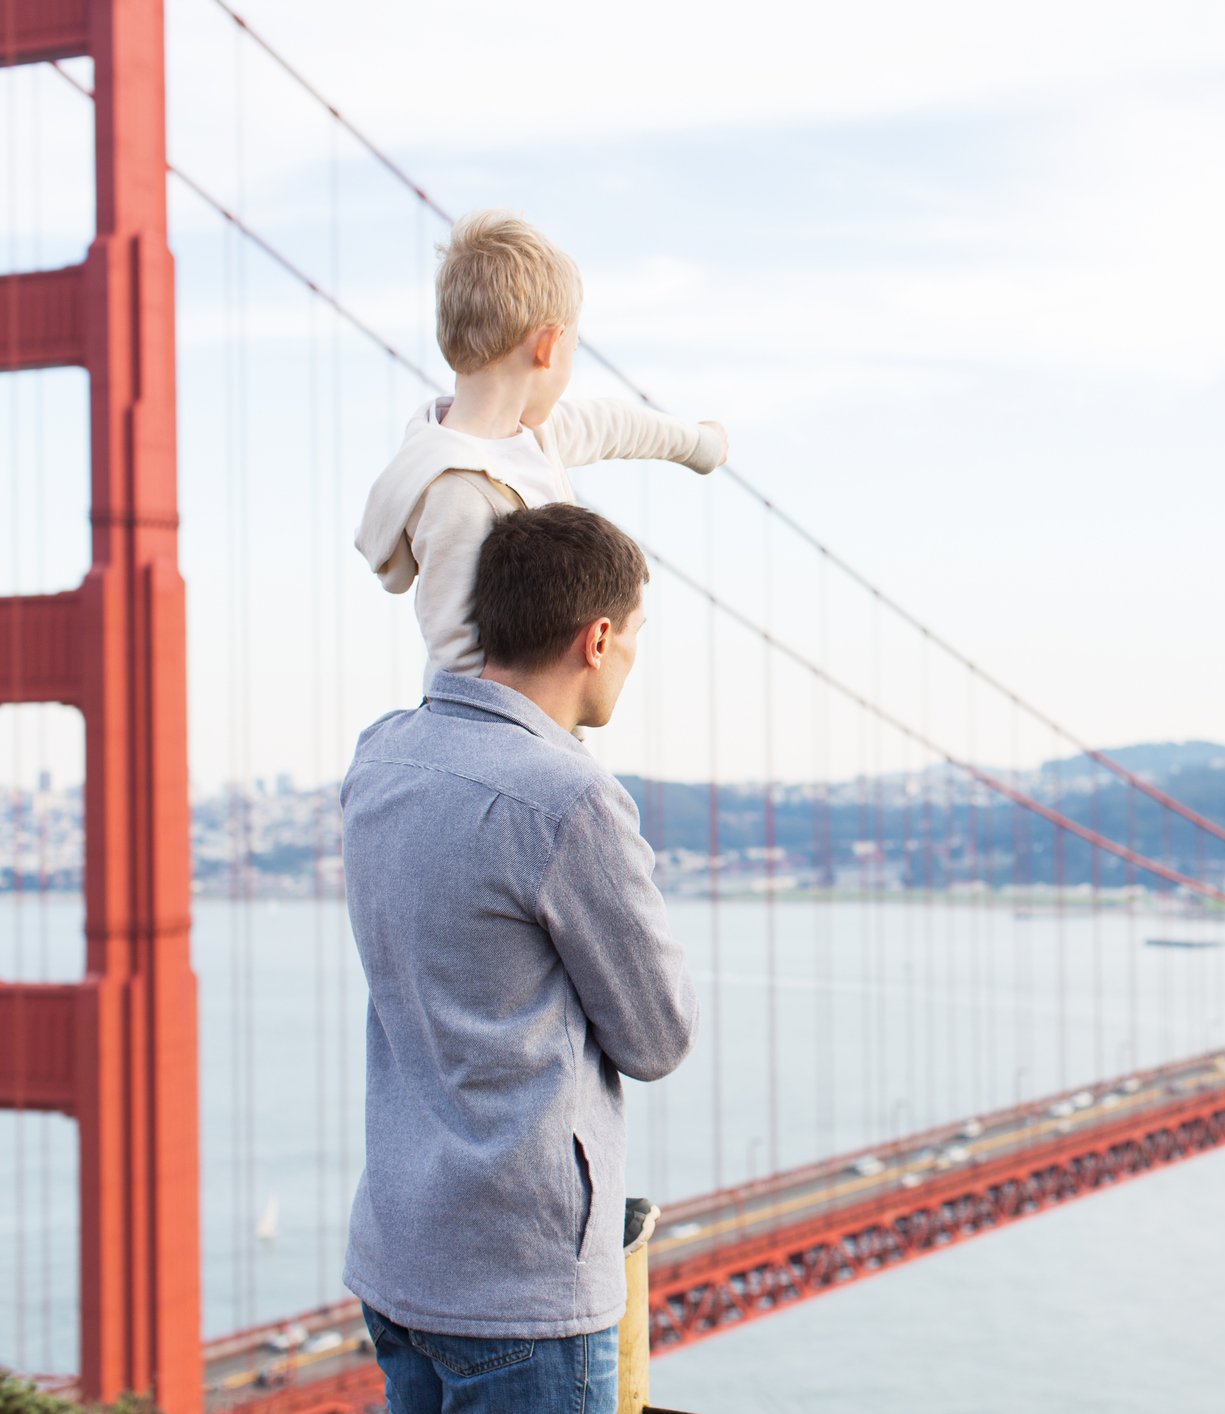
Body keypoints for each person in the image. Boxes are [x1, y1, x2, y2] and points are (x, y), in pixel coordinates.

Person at [339, 504, 698, 1414]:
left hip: (401, 1253)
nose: (630, 663)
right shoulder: (568, 799)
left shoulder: (381, 755)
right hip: (519, 1288)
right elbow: (657, 1039)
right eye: (635, 640)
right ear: (598, 636)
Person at [353, 208, 729, 682]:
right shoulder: (454, 489)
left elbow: (616, 425)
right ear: (549, 347)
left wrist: (700, 444)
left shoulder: (530, 432)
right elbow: (458, 658)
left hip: (537, 716)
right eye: (574, 349)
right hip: (489, 734)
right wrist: (541, 733)